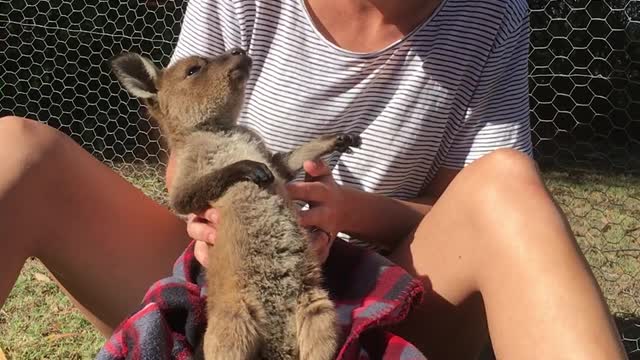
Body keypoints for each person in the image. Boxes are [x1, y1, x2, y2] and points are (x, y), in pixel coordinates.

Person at [0, 0, 626, 359]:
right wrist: (209, 212)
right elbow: (185, 132)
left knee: (510, 182)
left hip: (390, 292)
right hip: (227, 278)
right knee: (15, 147)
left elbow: (464, 208)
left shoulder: (490, 15)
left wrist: (345, 210)